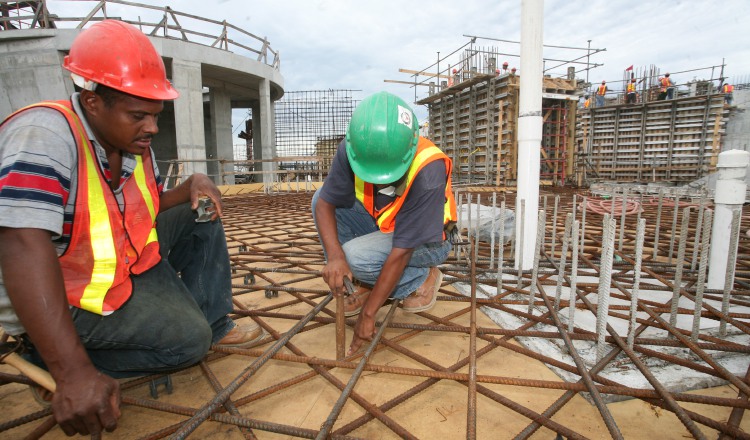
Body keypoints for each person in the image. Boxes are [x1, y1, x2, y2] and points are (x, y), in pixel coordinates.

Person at [0, 20, 263, 437]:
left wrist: (189, 188)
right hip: (60, 295)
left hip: (120, 268)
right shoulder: (45, 135)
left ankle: (216, 325)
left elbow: (143, 206)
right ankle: (42, 355)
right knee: (186, 344)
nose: (153, 128)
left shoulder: (130, 144)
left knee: (202, 212)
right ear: (92, 103)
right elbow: (19, 243)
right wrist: (70, 373)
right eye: (139, 115)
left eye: (156, 115)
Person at [312, 91, 457, 356]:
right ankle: (367, 284)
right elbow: (325, 205)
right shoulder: (354, 147)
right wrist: (334, 257)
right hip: (385, 225)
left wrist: (369, 315)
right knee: (319, 197)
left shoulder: (428, 168)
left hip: (430, 241)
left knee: (357, 257)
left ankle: (423, 277)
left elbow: (401, 251)